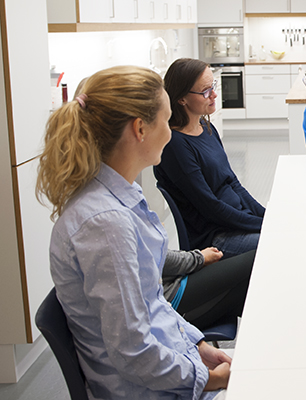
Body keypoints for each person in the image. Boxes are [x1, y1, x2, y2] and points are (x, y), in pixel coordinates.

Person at [36, 65, 230, 399]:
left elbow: (151, 301)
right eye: (166, 121)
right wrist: (208, 379)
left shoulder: (116, 196)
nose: (171, 133)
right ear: (140, 128)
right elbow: (133, 351)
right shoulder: (105, 223)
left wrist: (196, 345)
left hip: (167, 367)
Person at [155, 58, 265, 259]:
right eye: (205, 91)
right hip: (216, 237)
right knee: (281, 239)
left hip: (235, 220)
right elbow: (211, 207)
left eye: (213, 86)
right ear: (181, 99)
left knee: (284, 228)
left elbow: (233, 183)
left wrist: (266, 216)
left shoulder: (207, 128)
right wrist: (263, 225)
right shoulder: (175, 146)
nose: (214, 94)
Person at [163, 248, 255, 330]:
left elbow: (161, 251)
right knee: (258, 259)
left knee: (248, 290)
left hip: (175, 278)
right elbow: (161, 257)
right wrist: (200, 258)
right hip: (168, 303)